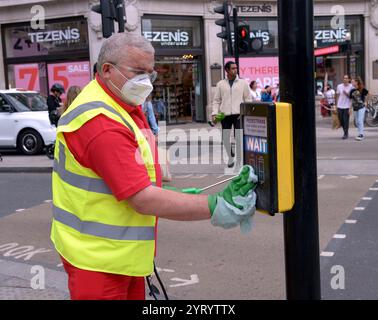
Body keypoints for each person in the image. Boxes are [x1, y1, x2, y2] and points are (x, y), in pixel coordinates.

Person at [50, 33, 257, 300]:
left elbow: (135, 174)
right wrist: (215, 205)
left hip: (115, 256)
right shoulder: (101, 122)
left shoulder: (119, 102)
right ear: (107, 70)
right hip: (99, 265)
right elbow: (142, 198)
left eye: (150, 73)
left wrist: (179, 196)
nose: (146, 81)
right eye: (137, 72)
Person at [212, 61, 251, 168]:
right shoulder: (220, 84)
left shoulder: (243, 83)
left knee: (238, 137)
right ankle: (230, 156)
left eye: (236, 68)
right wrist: (214, 113)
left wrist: (245, 113)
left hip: (239, 114)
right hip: (225, 115)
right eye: (233, 68)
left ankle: (238, 160)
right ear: (227, 70)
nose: (235, 70)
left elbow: (248, 98)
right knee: (225, 138)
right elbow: (216, 100)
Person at [336, 75, 353, 139]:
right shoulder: (339, 86)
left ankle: (345, 133)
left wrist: (347, 94)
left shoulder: (351, 86)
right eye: (344, 78)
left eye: (346, 78)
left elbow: (351, 98)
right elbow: (337, 95)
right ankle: (345, 131)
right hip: (340, 105)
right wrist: (336, 105)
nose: (345, 79)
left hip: (347, 106)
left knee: (346, 120)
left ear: (349, 79)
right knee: (341, 120)